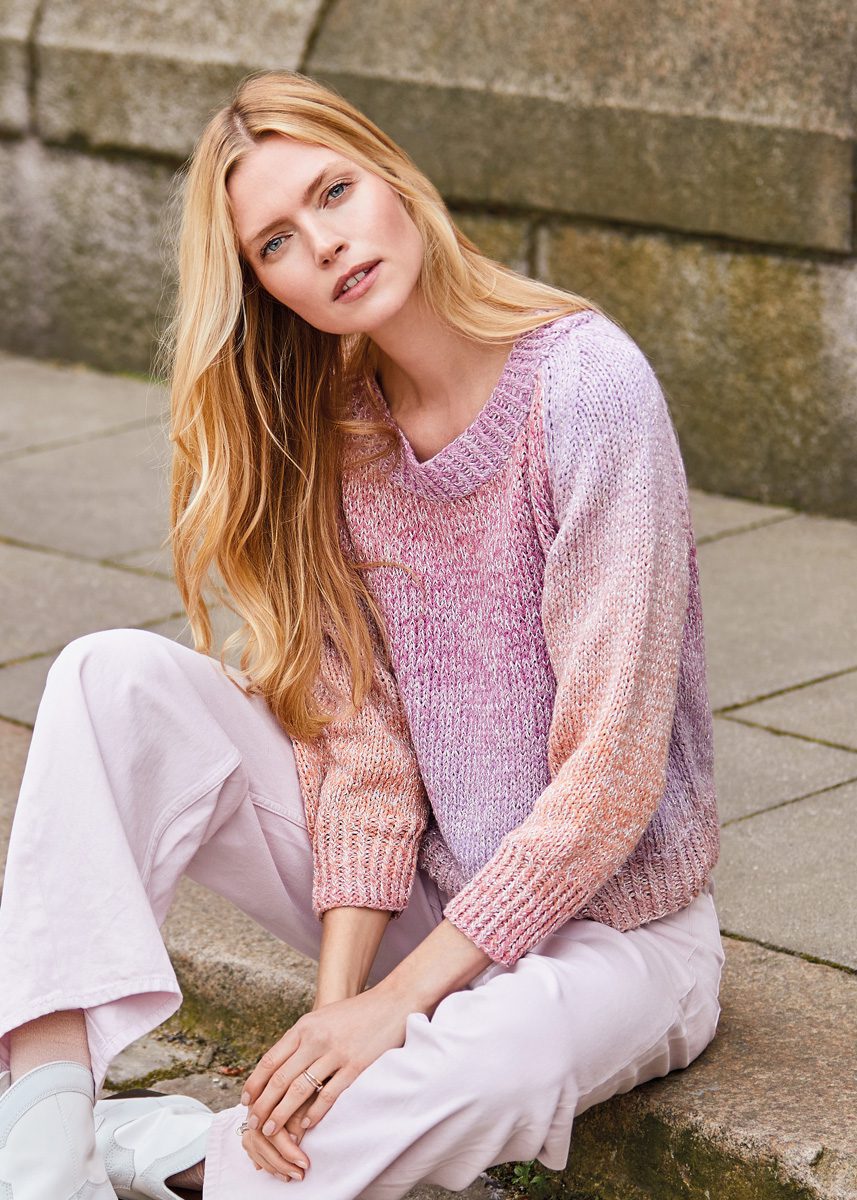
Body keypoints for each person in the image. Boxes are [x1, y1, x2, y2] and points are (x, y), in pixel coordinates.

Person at [0, 68, 724, 1199]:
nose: (325, 245)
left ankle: (194, 1164)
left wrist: (394, 1008)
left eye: (333, 193)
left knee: (503, 1065)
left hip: (619, 937)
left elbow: (611, 776)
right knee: (108, 679)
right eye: (277, 242)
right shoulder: (347, 433)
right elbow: (367, 757)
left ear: (392, 176)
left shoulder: (587, 388)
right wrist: (337, 1014)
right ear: (265, 288)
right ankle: (42, 1153)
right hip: (432, 904)